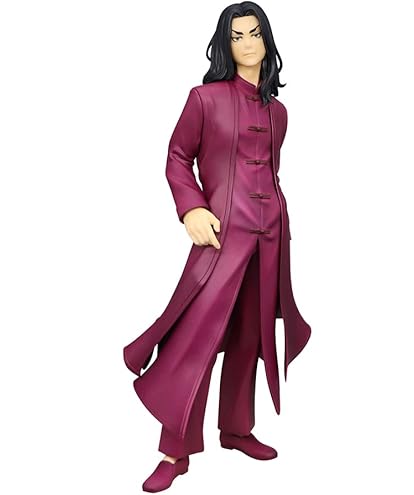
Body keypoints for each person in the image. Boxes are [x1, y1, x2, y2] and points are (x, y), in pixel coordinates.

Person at [123, 2, 312, 492]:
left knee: (251, 336)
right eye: (237, 36)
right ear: (225, 45)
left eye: (255, 33)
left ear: (267, 40)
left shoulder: (279, 112)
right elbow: (177, 156)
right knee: (197, 338)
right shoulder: (204, 99)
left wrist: (278, 223)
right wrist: (192, 208)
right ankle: (174, 452)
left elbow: (269, 172)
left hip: (270, 240)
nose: (248, 43)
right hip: (221, 237)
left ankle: (236, 428)